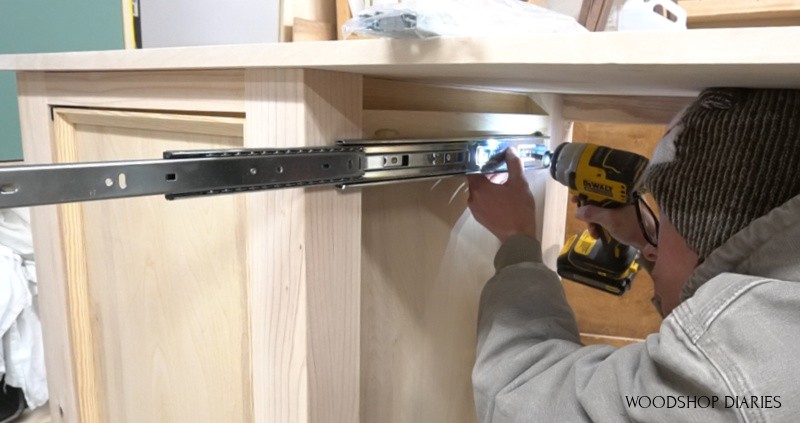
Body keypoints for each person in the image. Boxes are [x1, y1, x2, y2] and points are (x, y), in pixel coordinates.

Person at [466, 87, 800, 422]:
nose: (654, 246)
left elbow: (522, 398)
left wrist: (517, 238)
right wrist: (649, 237)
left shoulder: (728, 385)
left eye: (665, 216)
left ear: (705, 235)